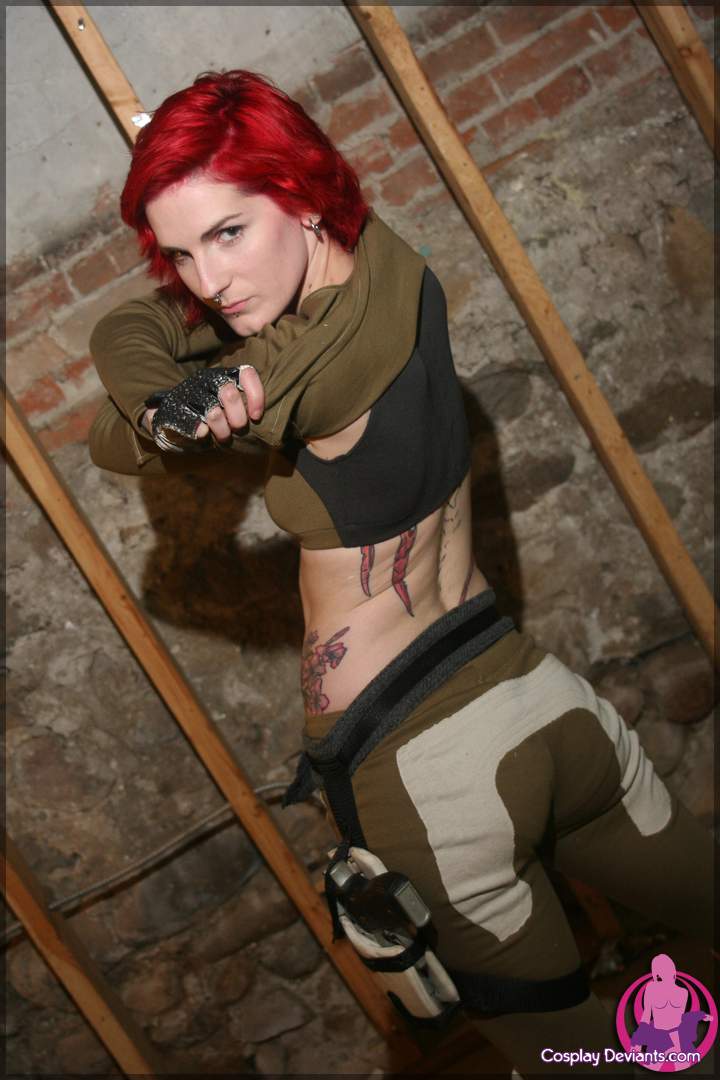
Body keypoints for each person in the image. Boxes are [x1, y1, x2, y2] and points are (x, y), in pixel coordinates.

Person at [89, 71, 713, 1075]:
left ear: (296, 192)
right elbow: (177, 317)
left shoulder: (281, 377)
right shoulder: (391, 257)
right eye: (182, 254)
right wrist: (196, 353)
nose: (209, 282)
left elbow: (110, 427)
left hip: (429, 770)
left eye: (228, 234)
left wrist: (167, 399)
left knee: (580, 1059)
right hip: (539, 697)